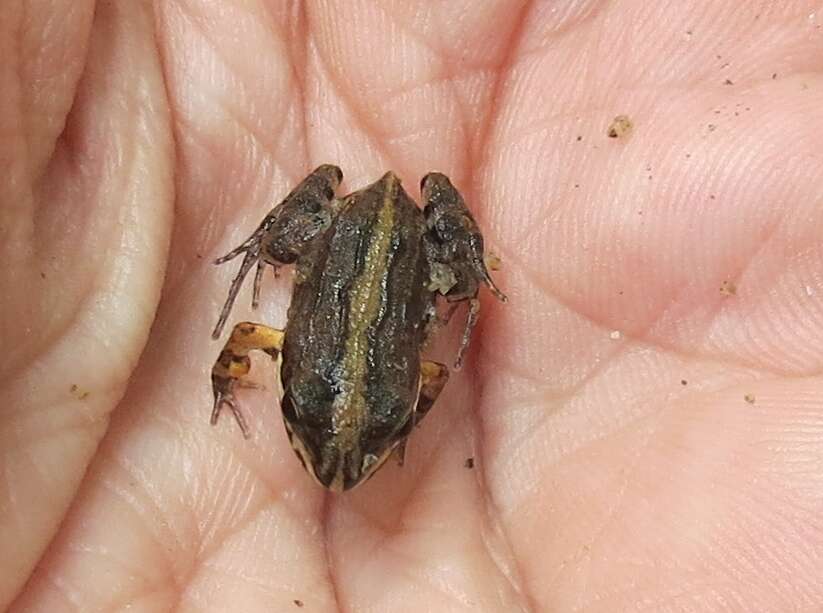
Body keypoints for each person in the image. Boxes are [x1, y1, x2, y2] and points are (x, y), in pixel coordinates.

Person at [3, 2, 822, 610]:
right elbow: (398, 371)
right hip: (353, 223)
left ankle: (378, 256)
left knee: (451, 286)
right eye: (363, 436)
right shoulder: (379, 375)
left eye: (345, 434)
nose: (337, 469)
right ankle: (286, 246)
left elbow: (313, 357)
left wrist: (244, 378)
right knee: (419, 287)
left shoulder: (335, 362)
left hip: (378, 232)